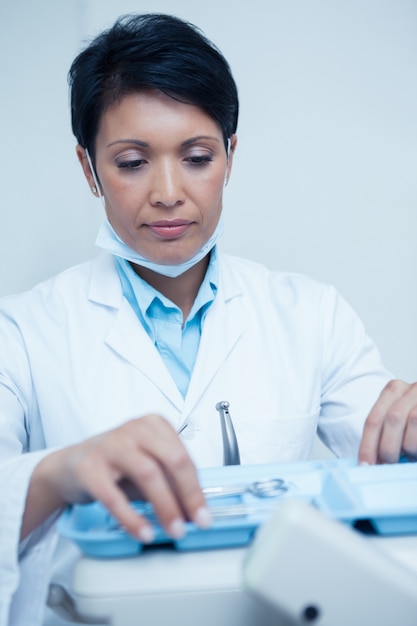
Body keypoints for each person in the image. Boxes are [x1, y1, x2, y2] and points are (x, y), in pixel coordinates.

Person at [0, 12, 415, 626]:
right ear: (89, 169)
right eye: (132, 162)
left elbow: (391, 455)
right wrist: (60, 472)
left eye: (196, 157)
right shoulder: (22, 331)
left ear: (230, 155)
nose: (168, 192)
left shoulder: (311, 315)